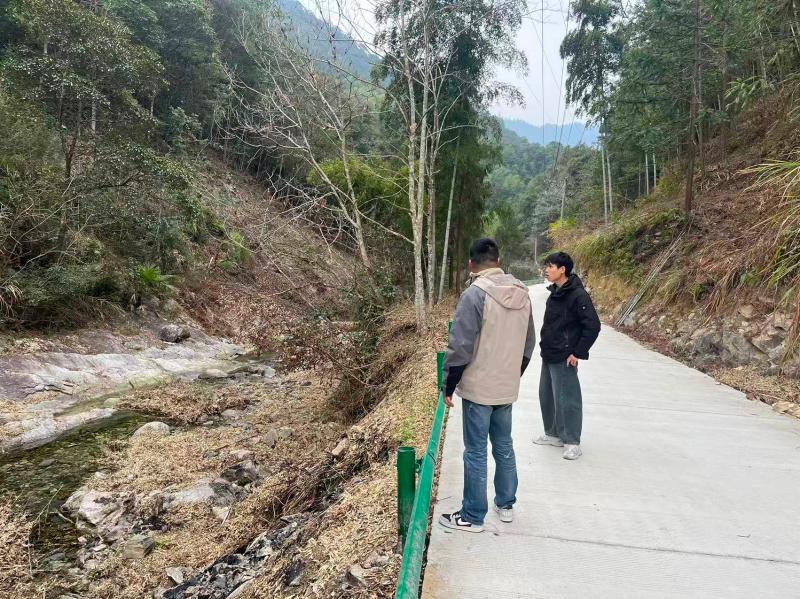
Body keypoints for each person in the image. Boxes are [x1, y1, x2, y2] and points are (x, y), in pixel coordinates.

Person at [438, 238, 536, 533]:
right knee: (504, 445)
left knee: (476, 451)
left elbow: (460, 346)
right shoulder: (523, 293)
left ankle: (472, 515)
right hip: (506, 386)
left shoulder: (474, 295)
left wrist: (449, 384)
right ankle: (505, 504)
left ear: (471, 264)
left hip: (480, 388)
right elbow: (529, 343)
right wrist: (513, 374)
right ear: (498, 261)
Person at [533, 251, 601, 460]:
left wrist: (578, 351)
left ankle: (572, 442)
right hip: (549, 352)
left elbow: (593, 325)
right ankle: (553, 434)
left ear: (562, 270)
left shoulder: (578, 295)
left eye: (550, 266)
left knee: (567, 399)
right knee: (547, 395)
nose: (546, 270)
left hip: (565, 355)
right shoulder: (555, 292)